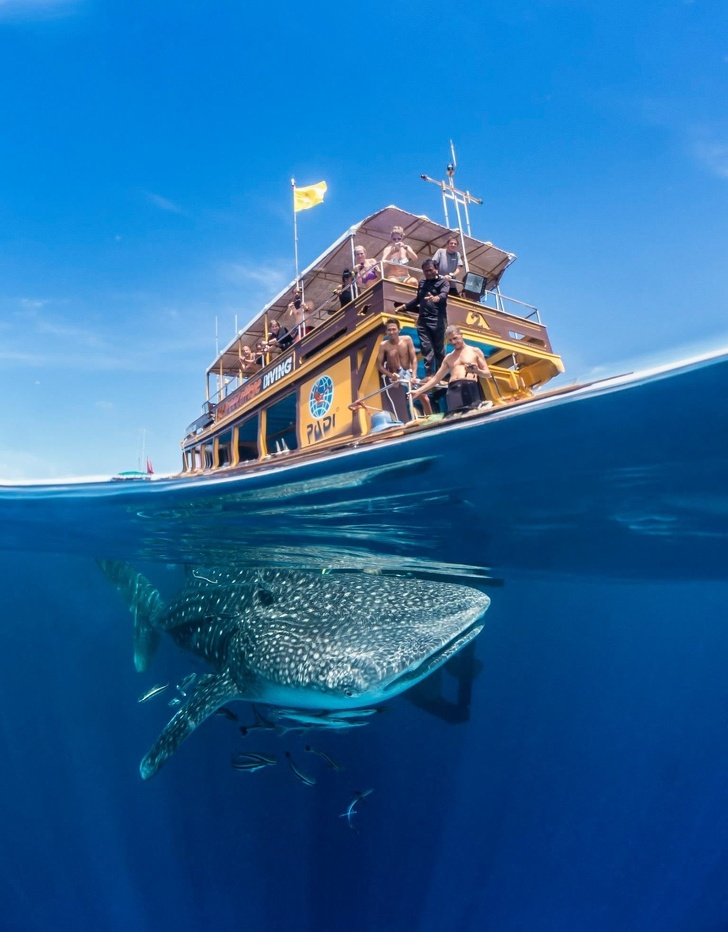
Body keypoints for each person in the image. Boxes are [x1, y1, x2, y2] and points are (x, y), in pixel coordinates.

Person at [411, 324, 492, 412]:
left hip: (469, 386)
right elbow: (436, 379)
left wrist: (477, 371)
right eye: (450, 340)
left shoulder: (475, 351)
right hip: (453, 390)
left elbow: (487, 374)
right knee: (455, 417)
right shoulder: (449, 357)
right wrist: (418, 391)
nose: (453, 342)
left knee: (472, 415)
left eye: (455, 338)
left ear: (461, 335)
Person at [394, 258, 450, 377]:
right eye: (425, 271)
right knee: (426, 348)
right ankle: (429, 375)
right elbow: (418, 300)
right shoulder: (422, 282)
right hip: (423, 320)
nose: (428, 273)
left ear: (436, 269)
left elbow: (444, 295)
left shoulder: (444, 282)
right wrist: (404, 307)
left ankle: (441, 376)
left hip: (438, 320)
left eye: (430, 270)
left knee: (439, 350)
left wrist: (437, 298)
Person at [376, 319, 432, 416]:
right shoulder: (384, 345)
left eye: (394, 329)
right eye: (389, 330)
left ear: (399, 330)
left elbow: (414, 359)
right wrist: (391, 375)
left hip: (409, 373)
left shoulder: (407, 339)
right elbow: (379, 366)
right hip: (395, 373)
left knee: (425, 398)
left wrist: (414, 376)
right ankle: (397, 380)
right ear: (386, 332)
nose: (391, 332)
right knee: (392, 353)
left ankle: (430, 417)